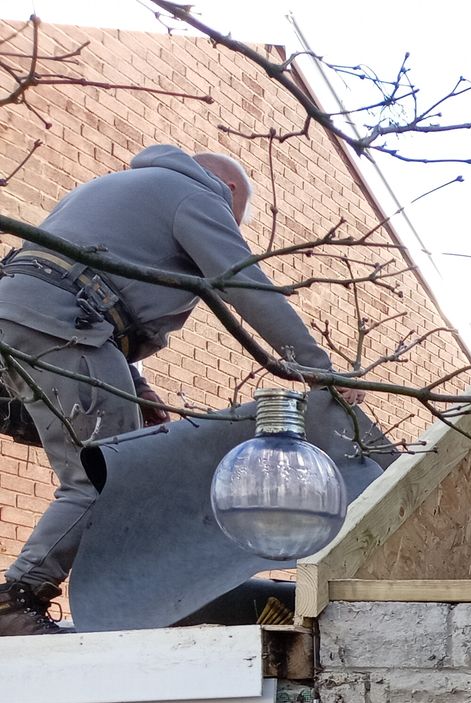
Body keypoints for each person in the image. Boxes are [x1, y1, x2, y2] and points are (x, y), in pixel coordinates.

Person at [0, 145, 356, 636]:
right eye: (235, 219)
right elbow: (244, 286)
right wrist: (320, 371)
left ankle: (102, 598)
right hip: (64, 324)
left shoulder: (115, 187)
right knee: (108, 477)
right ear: (227, 190)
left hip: (30, 321)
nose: (229, 228)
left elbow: (92, 285)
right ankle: (17, 598)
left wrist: (141, 395)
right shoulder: (194, 193)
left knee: (104, 467)